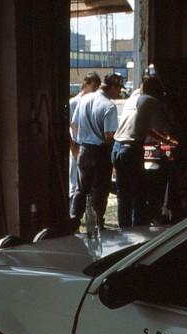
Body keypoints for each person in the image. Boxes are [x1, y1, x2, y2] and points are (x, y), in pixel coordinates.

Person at [111, 75, 175, 227]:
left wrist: (163, 140)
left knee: (123, 195)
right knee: (139, 195)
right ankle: (138, 233)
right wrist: (175, 138)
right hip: (131, 151)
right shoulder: (152, 101)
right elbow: (165, 126)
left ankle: (124, 230)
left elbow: (142, 125)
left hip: (117, 147)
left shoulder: (133, 98)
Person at [70, 72, 123, 228]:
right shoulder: (109, 106)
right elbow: (108, 136)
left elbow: (74, 124)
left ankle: (74, 220)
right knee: (99, 190)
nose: (119, 92)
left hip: (84, 150)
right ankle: (96, 223)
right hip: (100, 152)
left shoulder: (85, 99)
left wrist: (79, 142)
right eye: (118, 88)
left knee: (81, 189)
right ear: (112, 87)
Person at [69, 72, 101, 213]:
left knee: (87, 184)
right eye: (93, 86)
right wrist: (73, 147)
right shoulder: (74, 102)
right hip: (77, 145)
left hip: (86, 146)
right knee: (75, 184)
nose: (95, 90)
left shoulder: (92, 101)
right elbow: (70, 126)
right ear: (86, 83)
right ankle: (73, 213)